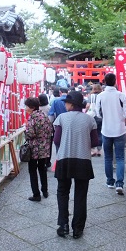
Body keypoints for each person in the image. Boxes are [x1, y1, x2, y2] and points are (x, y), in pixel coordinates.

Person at [53, 91, 98, 239]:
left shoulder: (62, 118)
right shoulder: (90, 120)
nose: (65, 104)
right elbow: (95, 142)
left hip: (64, 158)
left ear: (71, 104)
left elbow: (57, 140)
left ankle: (63, 224)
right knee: (80, 194)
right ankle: (78, 228)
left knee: (62, 192)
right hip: (83, 159)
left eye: (66, 102)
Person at [95, 73, 126, 195]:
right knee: (120, 157)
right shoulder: (121, 95)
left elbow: (98, 114)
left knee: (108, 158)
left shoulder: (100, 96)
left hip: (106, 130)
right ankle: (119, 184)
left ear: (104, 82)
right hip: (119, 130)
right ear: (115, 81)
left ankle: (110, 181)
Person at [24, 97, 53, 201]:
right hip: (44, 148)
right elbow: (50, 130)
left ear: (32, 107)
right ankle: (45, 191)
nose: (25, 108)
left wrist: (25, 132)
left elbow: (31, 134)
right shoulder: (44, 115)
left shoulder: (32, 118)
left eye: (26, 106)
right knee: (42, 169)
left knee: (32, 171)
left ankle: (36, 194)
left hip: (34, 149)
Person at [87, 83, 103, 157]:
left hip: (92, 116)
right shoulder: (103, 95)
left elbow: (88, 105)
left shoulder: (92, 96)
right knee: (99, 132)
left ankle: (93, 150)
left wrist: (86, 111)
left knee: (92, 132)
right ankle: (99, 150)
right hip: (100, 116)